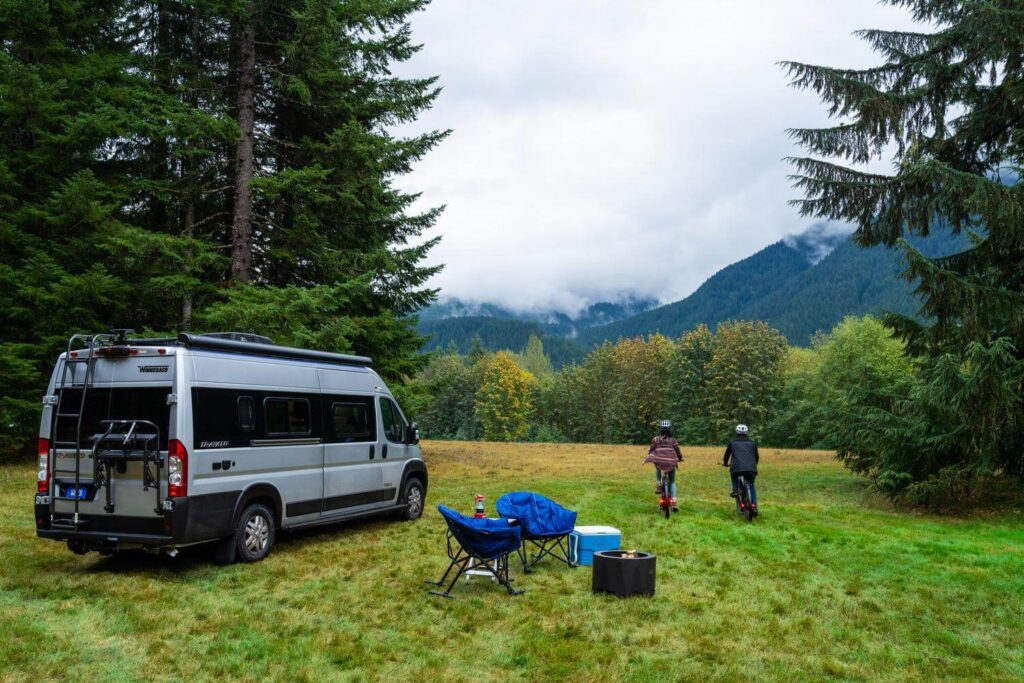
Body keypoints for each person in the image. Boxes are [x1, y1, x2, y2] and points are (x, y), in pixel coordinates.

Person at [644, 420, 683, 512]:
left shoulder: (655, 439)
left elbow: (651, 449)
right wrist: (680, 458)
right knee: (672, 482)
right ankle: (674, 501)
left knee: (657, 465)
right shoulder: (673, 440)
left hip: (659, 461)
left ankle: (658, 484)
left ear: (660, 429)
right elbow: (678, 451)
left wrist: (652, 455)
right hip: (671, 462)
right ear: (670, 430)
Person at [723, 423, 759, 512]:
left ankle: (735, 490)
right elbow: (756, 456)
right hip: (751, 469)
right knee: (751, 486)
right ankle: (754, 507)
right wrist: (755, 464)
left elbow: (727, 455)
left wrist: (725, 463)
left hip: (736, 468)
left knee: (733, 473)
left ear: (736, 432)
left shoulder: (732, 443)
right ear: (747, 432)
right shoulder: (752, 443)